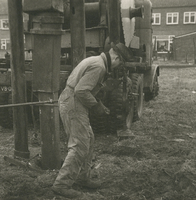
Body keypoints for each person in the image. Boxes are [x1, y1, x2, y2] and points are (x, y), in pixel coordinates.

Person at [51, 42, 134, 199]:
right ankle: (61, 184)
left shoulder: (96, 61)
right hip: (74, 102)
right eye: (120, 63)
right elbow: (81, 90)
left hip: (74, 101)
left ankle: (83, 176)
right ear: (115, 58)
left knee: (89, 138)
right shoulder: (99, 67)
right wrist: (96, 107)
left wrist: (99, 103)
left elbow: (85, 88)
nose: (118, 67)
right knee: (79, 145)